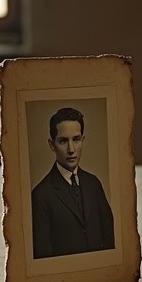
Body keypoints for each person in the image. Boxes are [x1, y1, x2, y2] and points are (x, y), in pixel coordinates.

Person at [31, 107, 115, 259]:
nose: (71, 149)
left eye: (76, 139)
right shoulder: (41, 195)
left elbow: (109, 233)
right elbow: (43, 255)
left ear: (83, 140)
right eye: (63, 141)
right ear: (52, 145)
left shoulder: (93, 183)